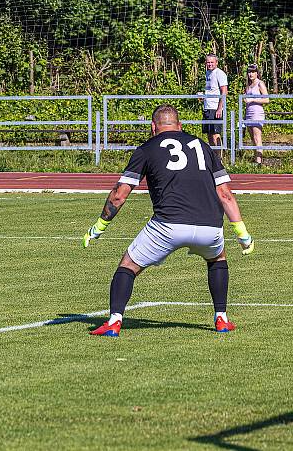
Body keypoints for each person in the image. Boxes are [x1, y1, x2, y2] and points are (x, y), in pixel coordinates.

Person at [83, 104, 254, 337]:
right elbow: (225, 194)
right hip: (210, 226)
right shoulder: (203, 146)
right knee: (217, 259)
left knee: (128, 266)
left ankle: (114, 321)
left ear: (153, 127)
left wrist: (99, 226)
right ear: (180, 126)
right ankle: (222, 318)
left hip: (168, 225)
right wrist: (242, 233)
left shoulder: (146, 149)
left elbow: (119, 195)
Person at [202, 54, 228, 158]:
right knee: (209, 134)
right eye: (208, 62)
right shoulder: (208, 73)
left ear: (216, 62)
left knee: (216, 134)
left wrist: (220, 108)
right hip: (207, 107)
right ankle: (213, 157)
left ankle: (219, 158)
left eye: (212, 62)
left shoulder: (220, 73)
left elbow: (224, 91)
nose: (210, 64)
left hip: (215, 107)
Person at [243, 63, 269, 165]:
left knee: (257, 137)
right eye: (249, 72)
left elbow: (266, 99)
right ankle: (255, 159)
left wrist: (253, 99)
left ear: (257, 73)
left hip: (257, 113)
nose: (251, 74)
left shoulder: (260, 83)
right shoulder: (248, 86)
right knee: (252, 138)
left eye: (253, 72)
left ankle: (259, 162)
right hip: (249, 113)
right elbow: (245, 100)